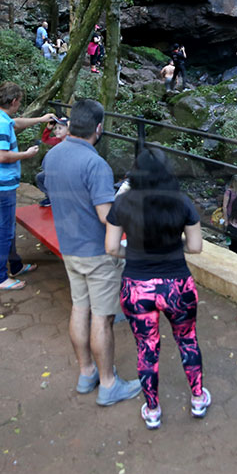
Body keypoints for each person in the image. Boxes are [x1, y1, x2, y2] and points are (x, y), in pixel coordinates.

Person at [41, 99, 142, 405]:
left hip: (69, 247)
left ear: (71, 124)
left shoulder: (52, 155)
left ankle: (87, 373)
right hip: (97, 252)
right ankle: (109, 384)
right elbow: (105, 215)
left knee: (79, 308)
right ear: (99, 128)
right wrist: (123, 199)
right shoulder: (96, 164)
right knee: (103, 318)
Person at [104, 148, 211, 429]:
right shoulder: (181, 202)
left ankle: (152, 410)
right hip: (177, 285)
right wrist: (175, 249)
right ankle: (198, 398)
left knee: (146, 348)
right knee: (187, 340)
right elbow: (196, 246)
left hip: (137, 288)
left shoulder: (123, 203)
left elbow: (112, 247)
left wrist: (137, 256)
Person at [0, 83, 55, 291]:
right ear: (13, 101)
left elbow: (16, 122)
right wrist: (27, 154)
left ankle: (15, 265)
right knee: (6, 231)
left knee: (9, 227)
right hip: (2, 185)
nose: (19, 105)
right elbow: (1, 155)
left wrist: (41, 120)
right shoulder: (2, 125)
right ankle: (0, 278)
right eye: (19, 102)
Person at [35, 116, 69, 207]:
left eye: (60, 128)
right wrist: (48, 129)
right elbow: (45, 140)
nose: (56, 130)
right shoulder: (57, 140)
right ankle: (51, 197)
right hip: (55, 170)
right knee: (40, 177)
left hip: (66, 172)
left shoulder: (71, 142)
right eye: (56, 128)